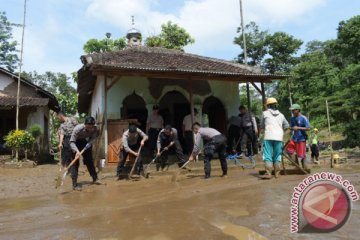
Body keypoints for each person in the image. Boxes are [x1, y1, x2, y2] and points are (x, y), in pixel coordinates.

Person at [70, 116, 102, 191]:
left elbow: (94, 137)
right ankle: (74, 184)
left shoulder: (95, 128)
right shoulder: (77, 129)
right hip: (75, 143)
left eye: (91, 127)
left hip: (85, 142)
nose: (90, 129)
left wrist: (89, 143)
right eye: (88, 127)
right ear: (85, 125)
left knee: (89, 161)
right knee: (75, 163)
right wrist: (77, 151)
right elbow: (71, 142)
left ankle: (95, 178)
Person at [260, 97, 289, 179]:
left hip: (268, 136)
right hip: (279, 137)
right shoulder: (281, 115)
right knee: (277, 155)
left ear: (268, 106)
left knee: (267, 155)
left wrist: (261, 134)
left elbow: (261, 126)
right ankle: (277, 174)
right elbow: (287, 126)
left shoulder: (264, 113)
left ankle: (269, 173)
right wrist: (282, 134)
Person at [286, 104, 311, 170]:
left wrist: (298, 128)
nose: (292, 112)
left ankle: (305, 168)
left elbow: (308, 128)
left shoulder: (303, 118)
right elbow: (291, 127)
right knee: (289, 150)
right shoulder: (292, 118)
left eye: (293, 110)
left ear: (298, 110)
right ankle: (296, 165)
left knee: (301, 155)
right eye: (292, 110)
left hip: (301, 138)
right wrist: (291, 128)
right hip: (294, 138)